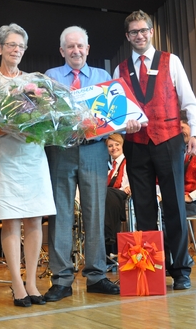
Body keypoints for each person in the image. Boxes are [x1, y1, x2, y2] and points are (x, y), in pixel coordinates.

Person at [113, 10, 196, 290]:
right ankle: (151, 269)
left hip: (168, 140)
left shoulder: (171, 61)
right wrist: (123, 125)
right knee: (144, 209)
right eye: (134, 32)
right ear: (127, 36)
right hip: (136, 144)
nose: (139, 35)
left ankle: (181, 269)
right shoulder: (120, 70)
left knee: (175, 205)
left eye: (143, 30)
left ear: (151, 32)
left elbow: (190, 102)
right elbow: (117, 114)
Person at [43, 26, 122, 302]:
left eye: (80, 46)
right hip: (61, 151)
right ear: (62, 51)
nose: (76, 51)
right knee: (61, 215)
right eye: (70, 46)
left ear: (88, 49)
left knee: (95, 213)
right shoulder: (50, 77)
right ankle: (61, 279)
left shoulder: (103, 77)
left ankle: (97, 276)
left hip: (94, 151)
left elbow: (115, 114)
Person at [0, 23, 56, 307]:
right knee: (11, 219)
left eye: (21, 46)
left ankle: (32, 282)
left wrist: (40, 124)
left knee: (35, 218)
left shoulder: (35, 83)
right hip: (3, 157)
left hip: (33, 155)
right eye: (11, 45)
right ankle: (16, 283)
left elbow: (47, 120)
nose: (16, 50)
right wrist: (11, 126)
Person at [104, 133, 130, 256]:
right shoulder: (110, 167)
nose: (114, 148)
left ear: (122, 145)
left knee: (107, 193)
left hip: (123, 197)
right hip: (110, 198)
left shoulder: (128, 162)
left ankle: (110, 237)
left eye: (117, 144)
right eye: (110, 146)